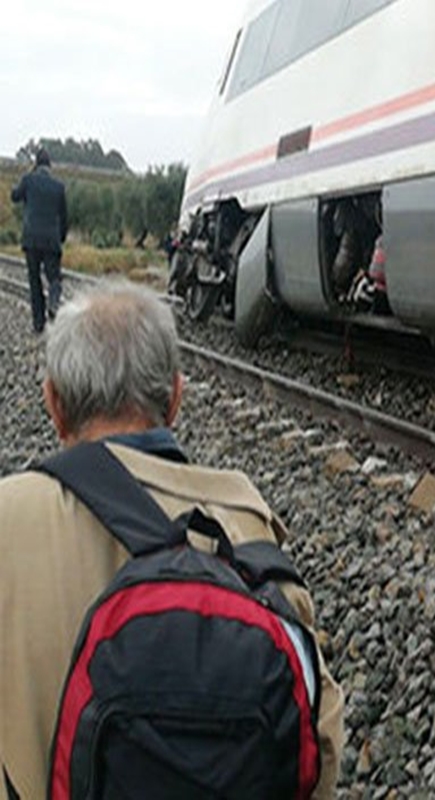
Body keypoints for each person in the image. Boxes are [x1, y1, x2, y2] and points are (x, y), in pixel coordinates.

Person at [0, 281, 344, 799]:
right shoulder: (249, 533)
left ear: (54, 403)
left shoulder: (8, 518)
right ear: (176, 398)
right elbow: (320, 751)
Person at [10, 147, 68, 333]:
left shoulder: (28, 180)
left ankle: (38, 324)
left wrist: (28, 174)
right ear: (50, 165)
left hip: (31, 239)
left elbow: (14, 196)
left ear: (36, 164)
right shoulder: (59, 187)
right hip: (51, 240)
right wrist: (61, 237)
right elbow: (64, 217)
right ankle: (53, 302)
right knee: (54, 278)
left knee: (34, 282)